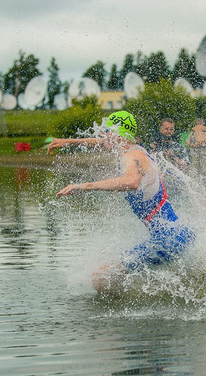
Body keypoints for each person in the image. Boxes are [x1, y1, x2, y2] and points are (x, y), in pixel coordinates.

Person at [47, 111, 195, 292]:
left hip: (166, 240)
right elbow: (103, 143)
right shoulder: (137, 150)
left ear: (117, 135)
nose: (102, 137)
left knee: (100, 279)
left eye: (106, 132)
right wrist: (67, 142)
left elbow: (131, 182)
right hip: (178, 234)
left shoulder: (129, 158)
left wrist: (85, 186)